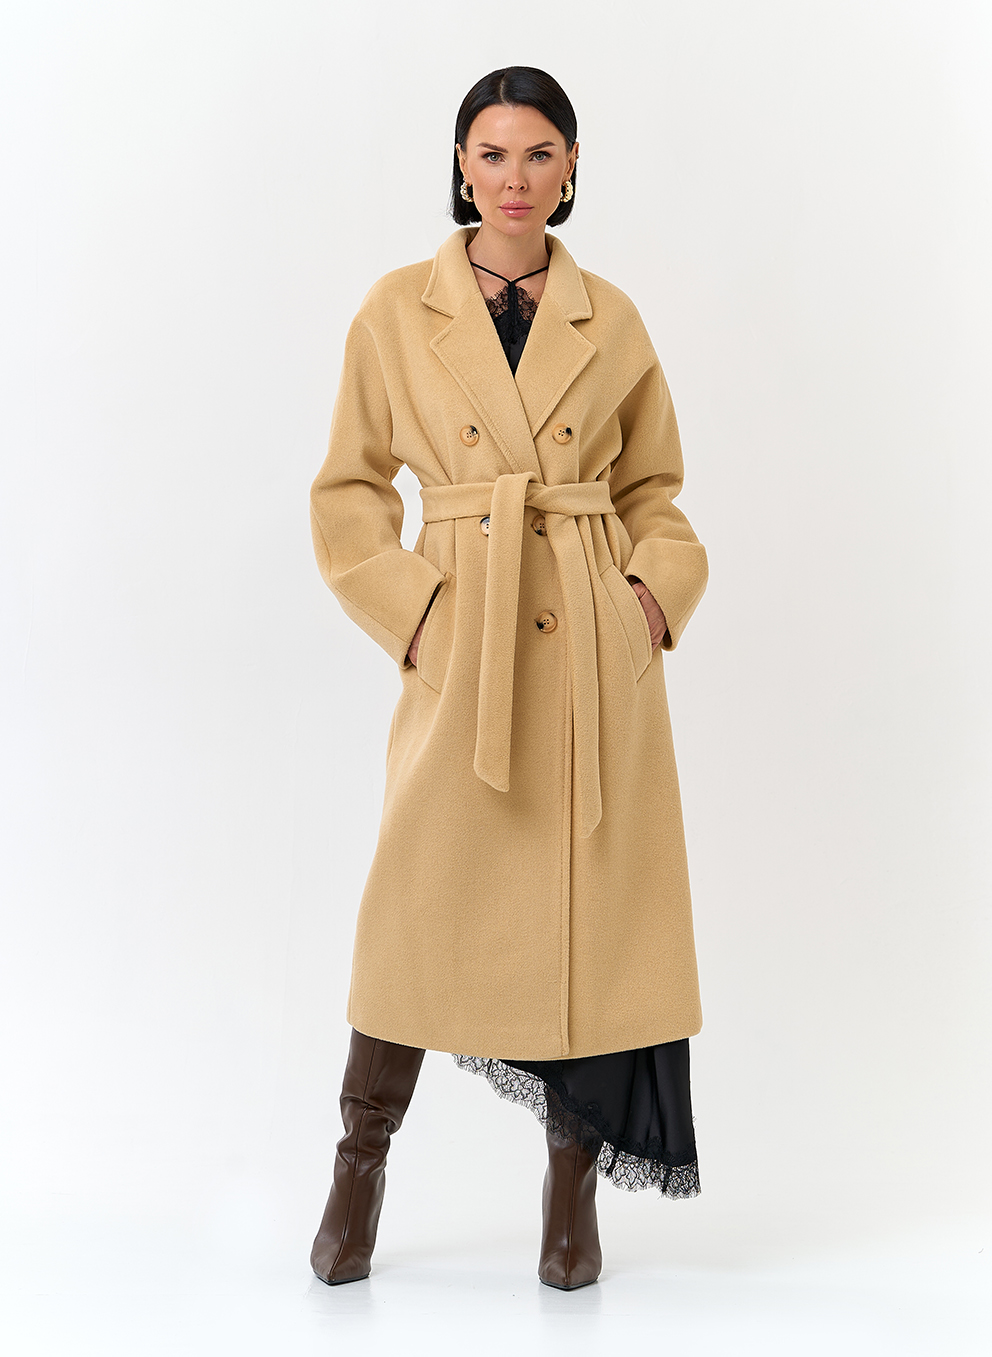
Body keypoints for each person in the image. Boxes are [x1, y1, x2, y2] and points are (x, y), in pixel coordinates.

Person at [307, 66, 709, 1291]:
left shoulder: (611, 318)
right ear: (459, 165)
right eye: (490, 154)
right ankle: (357, 1171)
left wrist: (645, 601)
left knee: (586, 933)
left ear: (571, 167)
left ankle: (569, 1199)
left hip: (587, 649)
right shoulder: (396, 310)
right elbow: (347, 494)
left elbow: (654, 492)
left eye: (538, 154)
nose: (513, 178)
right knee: (410, 912)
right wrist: (422, 617)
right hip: (464, 645)